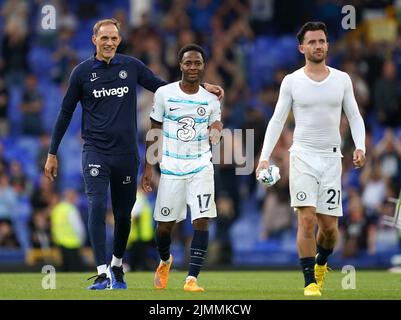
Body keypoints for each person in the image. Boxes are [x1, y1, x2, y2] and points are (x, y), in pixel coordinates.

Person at [44, 19, 223, 290]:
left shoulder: (131, 66)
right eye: (104, 38)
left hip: (127, 153)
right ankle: (102, 271)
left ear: (119, 40)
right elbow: (66, 111)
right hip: (95, 150)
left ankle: (117, 265)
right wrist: (52, 152)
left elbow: (163, 89)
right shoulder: (81, 73)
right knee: (95, 204)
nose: (109, 42)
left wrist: (201, 90)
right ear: (94, 40)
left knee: (123, 213)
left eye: (114, 38)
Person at [256, 21, 366, 297]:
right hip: (302, 156)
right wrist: (264, 157)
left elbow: (353, 115)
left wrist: (361, 147)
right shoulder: (292, 81)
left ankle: (321, 262)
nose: (318, 46)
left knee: (329, 229)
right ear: (302, 47)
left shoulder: (342, 79)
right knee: (306, 220)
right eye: (313, 42)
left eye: (322, 41)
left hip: (331, 159)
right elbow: (278, 119)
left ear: (327, 45)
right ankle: (309, 282)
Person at [141, 44, 223, 292]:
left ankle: (192, 278)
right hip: (171, 168)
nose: (193, 67)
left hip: (201, 166)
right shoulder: (164, 94)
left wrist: (216, 132)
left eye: (197, 63)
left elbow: (217, 122)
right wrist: (148, 168)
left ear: (203, 66)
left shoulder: (211, 99)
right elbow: (154, 131)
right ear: (180, 65)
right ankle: (165, 260)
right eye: (188, 63)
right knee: (164, 227)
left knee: (201, 219)